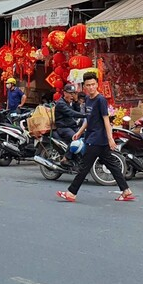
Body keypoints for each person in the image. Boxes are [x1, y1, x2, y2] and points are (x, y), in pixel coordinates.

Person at [57, 72, 133, 203]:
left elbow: (106, 120)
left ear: (97, 84)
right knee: (112, 165)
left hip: (97, 139)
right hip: (92, 137)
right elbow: (89, 118)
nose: (91, 87)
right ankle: (126, 191)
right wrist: (80, 132)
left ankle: (71, 193)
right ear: (84, 86)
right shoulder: (88, 99)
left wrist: (110, 139)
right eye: (88, 85)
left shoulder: (100, 100)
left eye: (93, 84)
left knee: (84, 167)